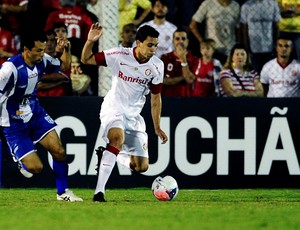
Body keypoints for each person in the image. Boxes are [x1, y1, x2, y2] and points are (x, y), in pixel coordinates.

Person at [81, 23, 168, 202]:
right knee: (117, 139)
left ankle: (113, 154)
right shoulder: (119, 55)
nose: (153, 49)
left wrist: (157, 127)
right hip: (113, 108)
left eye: (156, 46)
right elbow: (86, 59)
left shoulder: (157, 66)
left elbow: (155, 98)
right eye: (150, 45)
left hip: (134, 116)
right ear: (138, 43)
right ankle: (99, 193)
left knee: (141, 167)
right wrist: (90, 41)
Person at [0, 31, 83, 201]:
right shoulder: (10, 69)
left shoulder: (42, 60)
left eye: (43, 49)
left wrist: (64, 49)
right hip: (13, 123)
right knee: (35, 168)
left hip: (35, 113)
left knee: (59, 151)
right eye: (38, 50)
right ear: (26, 50)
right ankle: (14, 153)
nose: (42, 53)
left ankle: (63, 193)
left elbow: (64, 65)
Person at [189, 0, 240, 64]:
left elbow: (238, 28)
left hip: (230, 50)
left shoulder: (236, 5)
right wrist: (203, 42)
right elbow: (192, 25)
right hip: (213, 50)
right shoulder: (208, 3)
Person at [240, 0, 281, 73]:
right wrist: (246, 47)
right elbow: (244, 28)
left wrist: (277, 45)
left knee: (269, 76)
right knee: (255, 76)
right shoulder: (246, 6)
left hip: (269, 48)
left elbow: (277, 26)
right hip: (253, 49)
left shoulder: (273, 4)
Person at [160, 28, 197, 97]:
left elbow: (190, 80)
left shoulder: (194, 59)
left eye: (183, 39)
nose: (180, 41)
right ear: (173, 41)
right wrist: (182, 77)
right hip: (167, 98)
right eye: (177, 39)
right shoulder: (165, 58)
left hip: (187, 99)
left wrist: (183, 58)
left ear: (187, 42)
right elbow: (161, 81)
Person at [37, 27, 73, 97]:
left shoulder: (63, 58)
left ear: (56, 41)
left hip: (60, 99)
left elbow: (62, 76)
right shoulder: (36, 59)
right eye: (46, 41)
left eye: (52, 40)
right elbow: (38, 86)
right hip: (39, 99)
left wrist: (40, 77)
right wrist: (59, 82)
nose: (49, 44)